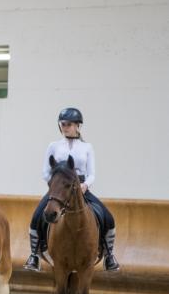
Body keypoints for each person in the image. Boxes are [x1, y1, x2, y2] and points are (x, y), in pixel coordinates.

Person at [23, 107, 120, 272]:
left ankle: (109, 255)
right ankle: (34, 255)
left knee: (108, 218)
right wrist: (55, 186)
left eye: (69, 124)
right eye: (63, 124)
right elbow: (45, 172)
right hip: (59, 190)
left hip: (81, 189)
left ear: (78, 126)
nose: (65, 127)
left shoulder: (87, 147)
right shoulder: (53, 146)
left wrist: (85, 185)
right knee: (37, 216)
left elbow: (92, 174)